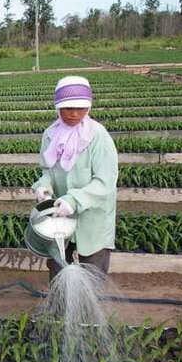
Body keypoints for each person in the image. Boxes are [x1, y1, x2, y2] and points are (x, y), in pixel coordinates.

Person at [31, 76, 118, 280]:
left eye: (81, 108)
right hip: (60, 218)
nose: (74, 113)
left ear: (88, 107)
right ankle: (60, 300)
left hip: (93, 217)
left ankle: (88, 302)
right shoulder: (51, 135)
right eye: (68, 108)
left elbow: (105, 181)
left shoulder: (98, 136)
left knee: (93, 272)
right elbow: (48, 171)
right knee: (58, 269)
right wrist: (43, 186)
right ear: (58, 107)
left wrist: (74, 200)